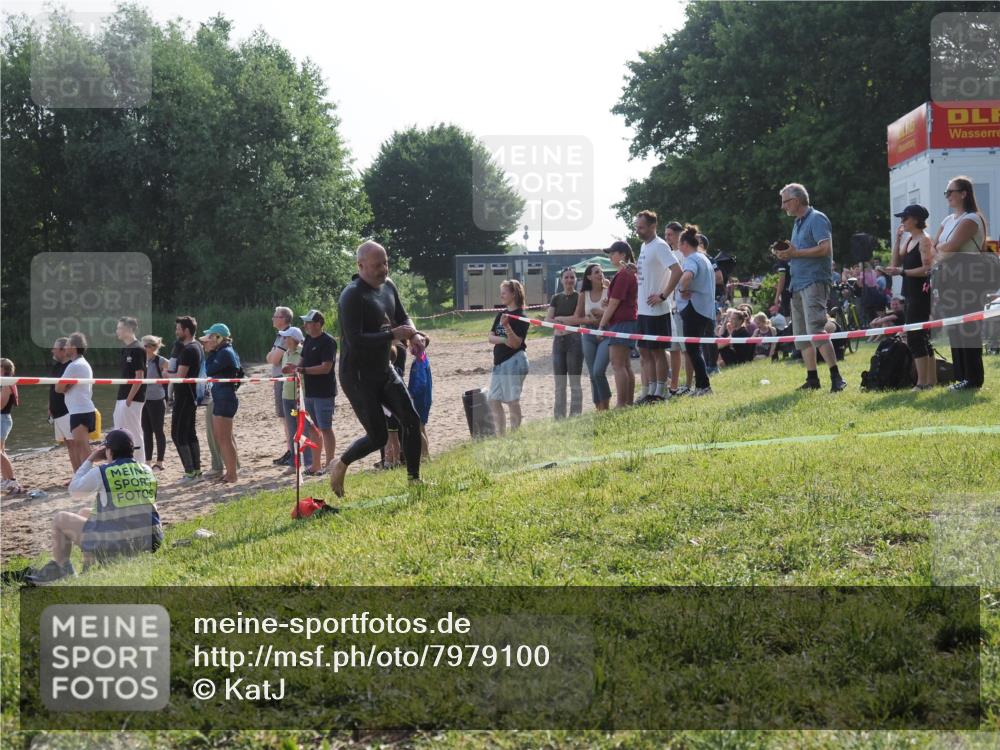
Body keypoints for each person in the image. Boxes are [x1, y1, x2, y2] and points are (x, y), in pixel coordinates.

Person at [328, 241, 422, 498]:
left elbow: (403, 317)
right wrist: (393, 334)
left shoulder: (388, 286)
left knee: (411, 421)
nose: (384, 269)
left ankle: (415, 482)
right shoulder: (352, 295)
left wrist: (412, 335)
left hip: (384, 368)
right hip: (357, 376)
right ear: (361, 266)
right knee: (378, 436)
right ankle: (341, 463)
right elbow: (355, 340)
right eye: (377, 265)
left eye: (386, 262)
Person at [26, 429, 162, 585]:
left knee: (60, 519)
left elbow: (74, 491)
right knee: (85, 512)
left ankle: (64, 571)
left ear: (108, 451)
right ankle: (89, 566)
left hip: (120, 544)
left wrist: (90, 459)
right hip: (151, 539)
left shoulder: (104, 472)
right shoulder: (147, 470)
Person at [773, 183, 846, 392]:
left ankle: (836, 377)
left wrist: (795, 253)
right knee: (802, 334)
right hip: (798, 282)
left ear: (796, 201)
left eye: (785, 201)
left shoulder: (817, 219)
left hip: (814, 281)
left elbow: (825, 249)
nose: (782, 206)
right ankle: (812, 378)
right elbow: (800, 250)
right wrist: (786, 253)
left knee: (816, 329)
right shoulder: (797, 222)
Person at [933, 176, 993, 391]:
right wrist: (942, 249)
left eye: (951, 192)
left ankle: (973, 378)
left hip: (968, 278)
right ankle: (961, 376)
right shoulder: (947, 220)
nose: (948, 196)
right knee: (955, 328)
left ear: (964, 193)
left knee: (968, 328)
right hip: (949, 277)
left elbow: (950, 247)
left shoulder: (972, 219)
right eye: (946, 192)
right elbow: (936, 247)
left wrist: (943, 249)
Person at [884, 205, 936, 389]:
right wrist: (898, 240)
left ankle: (922, 383)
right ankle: (930, 381)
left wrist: (902, 272)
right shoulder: (910, 240)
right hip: (910, 292)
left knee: (915, 337)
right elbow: (895, 263)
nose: (902, 222)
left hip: (920, 294)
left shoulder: (924, 240)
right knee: (920, 337)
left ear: (915, 219)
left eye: (904, 218)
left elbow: (927, 269)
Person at [633, 211, 682, 404]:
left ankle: (661, 391)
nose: (638, 231)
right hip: (643, 310)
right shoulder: (645, 246)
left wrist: (663, 295)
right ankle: (649, 389)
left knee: (658, 351)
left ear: (653, 226)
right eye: (636, 227)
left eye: (641, 227)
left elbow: (677, 271)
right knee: (644, 351)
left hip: (657, 310)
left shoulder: (660, 245)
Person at [676, 226, 717, 396]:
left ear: (685, 243)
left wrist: (681, 289)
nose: (679, 247)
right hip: (705, 309)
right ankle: (702, 385)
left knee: (692, 349)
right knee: (695, 349)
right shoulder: (704, 258)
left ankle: (704, 386)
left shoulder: (691, 259)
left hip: (694, 308)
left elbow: (687, 276)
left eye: (680, 243)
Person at [565, 263, 611, 411]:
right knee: (592, 374)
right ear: (589, 277)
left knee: (598, 371)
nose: (600, 274)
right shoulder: (584, 294)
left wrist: (602, 313)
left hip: (606, 333)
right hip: (588, 334)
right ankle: (599, 407)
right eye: (596, 272)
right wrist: (590, 320)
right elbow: (576, 319)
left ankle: (606, 406)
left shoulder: (609, 290)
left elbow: (616, 313)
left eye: (601, 272)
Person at [487, 279, 531, 434]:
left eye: (504, 292)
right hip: (499, 364)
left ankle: (515, 435)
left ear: (514, 294)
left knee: (512, 401)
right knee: (493, 399)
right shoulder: (501, 314)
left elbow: (515, 344)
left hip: (514, 361)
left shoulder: (521, 317)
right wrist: (504, 339)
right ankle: (501, 435)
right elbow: (490, 337)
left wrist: (507, 327)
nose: (501, 296)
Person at [598, 241, 639, 408]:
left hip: (621, 322)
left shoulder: (623, 275)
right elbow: (616, 301)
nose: (610, 256)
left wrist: (601, 325)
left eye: (612, 253)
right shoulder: (627, 274)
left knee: (618, 364)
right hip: (628, 321)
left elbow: (615, 303)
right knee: (625, 364)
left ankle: (622, 404)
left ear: (622, 254)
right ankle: (627, 402)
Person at [298, 309, 338, 476]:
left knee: (325, 428)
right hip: (310, 391)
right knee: (313, 429)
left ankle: (329, 463)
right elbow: (302, 360)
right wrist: (294, 369)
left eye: (308, 322)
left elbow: (326, 367)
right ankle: (315, 465)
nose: (305, 325)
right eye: (305, 322)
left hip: (324, 392)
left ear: (318, 324)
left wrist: (303, 370)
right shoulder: (308, 339)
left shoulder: (328, 341)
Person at [202, 324, 241, 483]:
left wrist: (210, 352)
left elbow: (209, 369)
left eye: (210, 337)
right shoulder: (224, 351)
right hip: (222, 396)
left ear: (218, 337)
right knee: (222, 437)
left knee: (224, 438)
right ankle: (230, 472)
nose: (207, 341)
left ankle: (232, 474)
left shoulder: (224, 352)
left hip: (225, 397)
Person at [56, 332, 97, 471]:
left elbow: (58, 388)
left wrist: (65, 387)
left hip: (81, 411)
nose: (65, 348)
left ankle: (88, 475)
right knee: (81, 445)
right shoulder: (80, 363)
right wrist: (66, 386)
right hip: (81, 409)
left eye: (67, 345)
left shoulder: (74, 365)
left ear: (73, 347)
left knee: (82, 446)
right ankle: (85, 475)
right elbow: (61, 388)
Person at [546, 267, 583, 418]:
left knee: (574, 381)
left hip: (574, 340)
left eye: (572, 277)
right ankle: (559, 417)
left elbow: (577, 319)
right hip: (558, 341)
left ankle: (575, 415)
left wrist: (559, 319)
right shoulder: (556, 297)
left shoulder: (579, 297)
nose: (569, 280)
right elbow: (548, 319)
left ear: (575, 280)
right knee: (559, 383)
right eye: (566, 277)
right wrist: (562, 321)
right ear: (561, 280)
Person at [169, 316, 203, 480]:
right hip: (190, 396)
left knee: (178, 434)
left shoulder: (190, 349)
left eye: (178, 329)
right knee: (189, 433)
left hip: (185, 397)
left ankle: (190, 472)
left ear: (186, 331)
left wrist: (165, 374)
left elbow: (180, 376)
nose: (176, 332)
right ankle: (196, 471)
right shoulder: (196, 347)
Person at [664, 220, 693, 395]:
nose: (667, 238)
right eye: (665, 235)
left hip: (683, 308)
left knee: (686, 349)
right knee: (674, 349)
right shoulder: (667, 253)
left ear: (678, 235)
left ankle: (689, 384)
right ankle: (674, 385)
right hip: (670, 308)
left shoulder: (684, 255)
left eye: (670, 234)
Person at [277, 326, 312, 473]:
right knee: (292, 430)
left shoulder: (303, 352)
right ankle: (293, 463)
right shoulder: (285, 354)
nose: (284, 340)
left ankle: (309, 463)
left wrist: (294, 370)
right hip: (287, 395)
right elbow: (285, 373)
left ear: (294, 339)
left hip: (301, 396)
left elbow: (305, 372)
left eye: (286, 337)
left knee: (304, 429)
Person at [112, 317, 146, 460]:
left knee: (134, 431)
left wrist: (129, 400)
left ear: (129, 329)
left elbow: (140, 377)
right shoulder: (125, 349)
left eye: (120, 328)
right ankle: (124, 461)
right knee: (119, 429)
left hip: (132, 398)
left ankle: (140, 463)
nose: (117, 331)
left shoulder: (138, 348)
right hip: (122, 396)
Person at [266, 306, 295, 466]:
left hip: (284, 379)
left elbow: (273, 359)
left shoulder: (287, 335)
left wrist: (272, 355)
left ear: (283, 319)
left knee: (287, 418)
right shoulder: (280, 336)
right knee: (284, 418)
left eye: (275, 316)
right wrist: (272, 355)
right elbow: (270, 357)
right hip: (279, 378)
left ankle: (292, 452)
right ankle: (290, 450)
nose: (272, 318)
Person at [141, 335, 169, 470]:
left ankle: (160, 462)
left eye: (145, 346)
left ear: (153, 347)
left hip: (157, 399)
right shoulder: (142, 360)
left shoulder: (161, 361)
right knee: (146, 431)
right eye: (142, 346)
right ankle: (147, 461)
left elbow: (174, 370)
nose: (143, 348)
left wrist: (166, 375)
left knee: (158, 431)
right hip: (143, 401)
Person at [48, 338, 74, 470]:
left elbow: (66, 388)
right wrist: (50, 407)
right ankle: (76, 474)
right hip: (56, 411)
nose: (52, 351)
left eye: (55, 348)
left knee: (73, 444)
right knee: (68, 445)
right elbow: (53, 388)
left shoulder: (71, 366)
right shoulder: (56, 366)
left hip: (67, 410)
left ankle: (79, 474)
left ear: (64, 350)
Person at [408, 333, 432, 459]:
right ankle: (425, 455)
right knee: (421, 427)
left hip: (420, 400)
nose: (410, 348)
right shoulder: (419, 359)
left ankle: (425, 455)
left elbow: (422, 383)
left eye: (412, 345)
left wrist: (412, 394)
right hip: (421, 399)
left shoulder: (421, 360)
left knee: (418, 428)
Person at [1, 358, 22, 494]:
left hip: (2, 418)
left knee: (0, 452)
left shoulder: (7, 383)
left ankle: (12, 480)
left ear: (4, 369)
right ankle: (5, 480)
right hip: (3, 418)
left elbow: (1, 404)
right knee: (1, 451)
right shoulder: (4, 382)